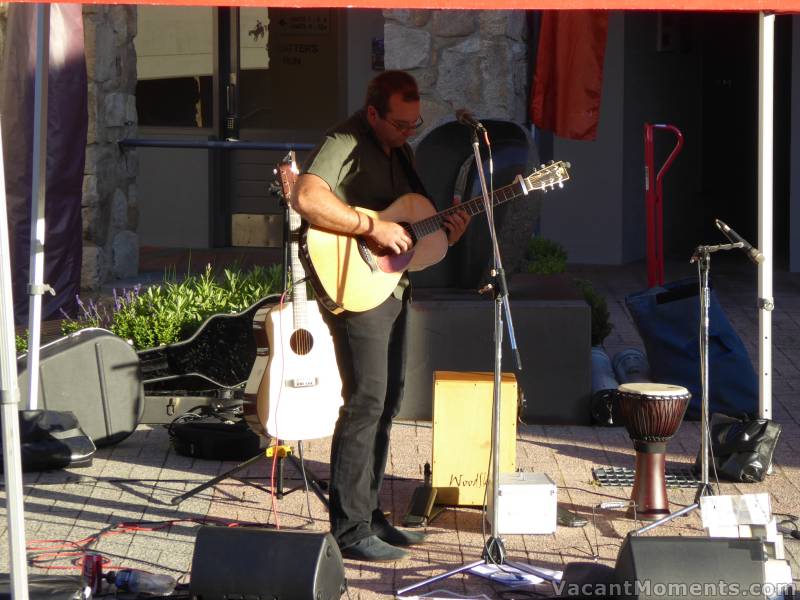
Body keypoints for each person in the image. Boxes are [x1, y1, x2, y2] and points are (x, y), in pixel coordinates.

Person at [291, 70, 471, 562]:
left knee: (388, 401)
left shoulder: (402, 154)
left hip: (389, 287)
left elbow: (411, 237)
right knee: (365, 401)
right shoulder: (345, 139)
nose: (407, 133)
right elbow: (306, 197)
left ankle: (371, 516)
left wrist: (449, 233)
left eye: (415, 125)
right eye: (399, 124)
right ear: (373, 113)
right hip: (351, 281)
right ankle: (348, 530)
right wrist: (371, 224)